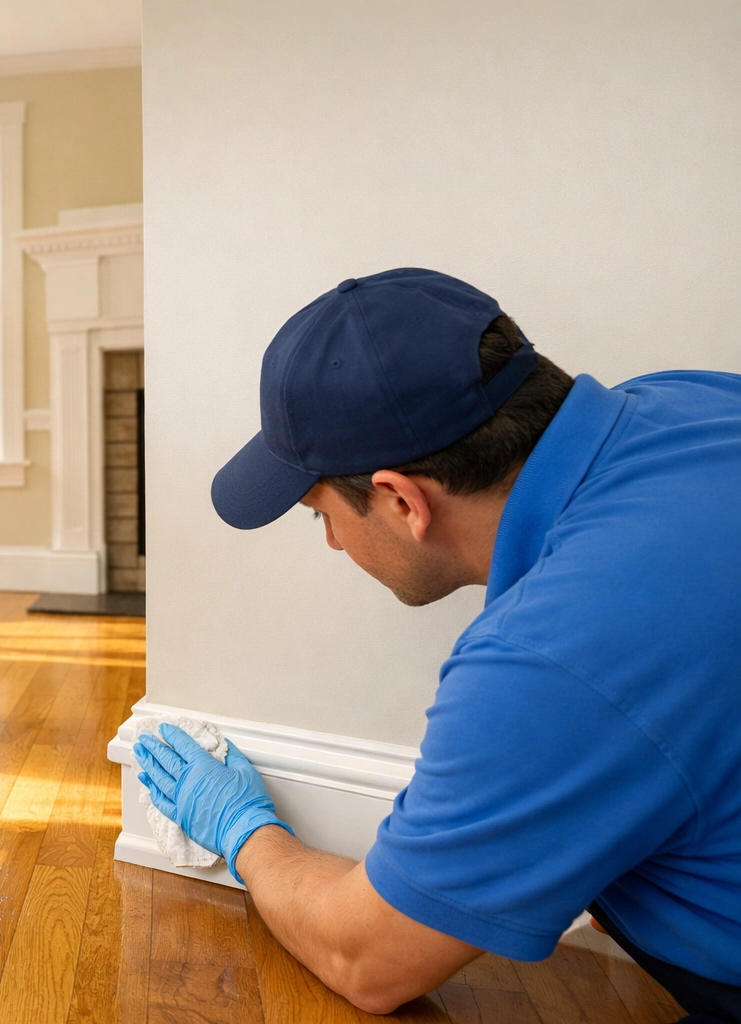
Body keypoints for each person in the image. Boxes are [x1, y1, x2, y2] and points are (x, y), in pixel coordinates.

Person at [132, 269, 741, 1022]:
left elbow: (369, 960)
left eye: (319, 512)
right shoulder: (691, 398)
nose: (329, 541)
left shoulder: (550, 657)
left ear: (401, 501)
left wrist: (244, 830)